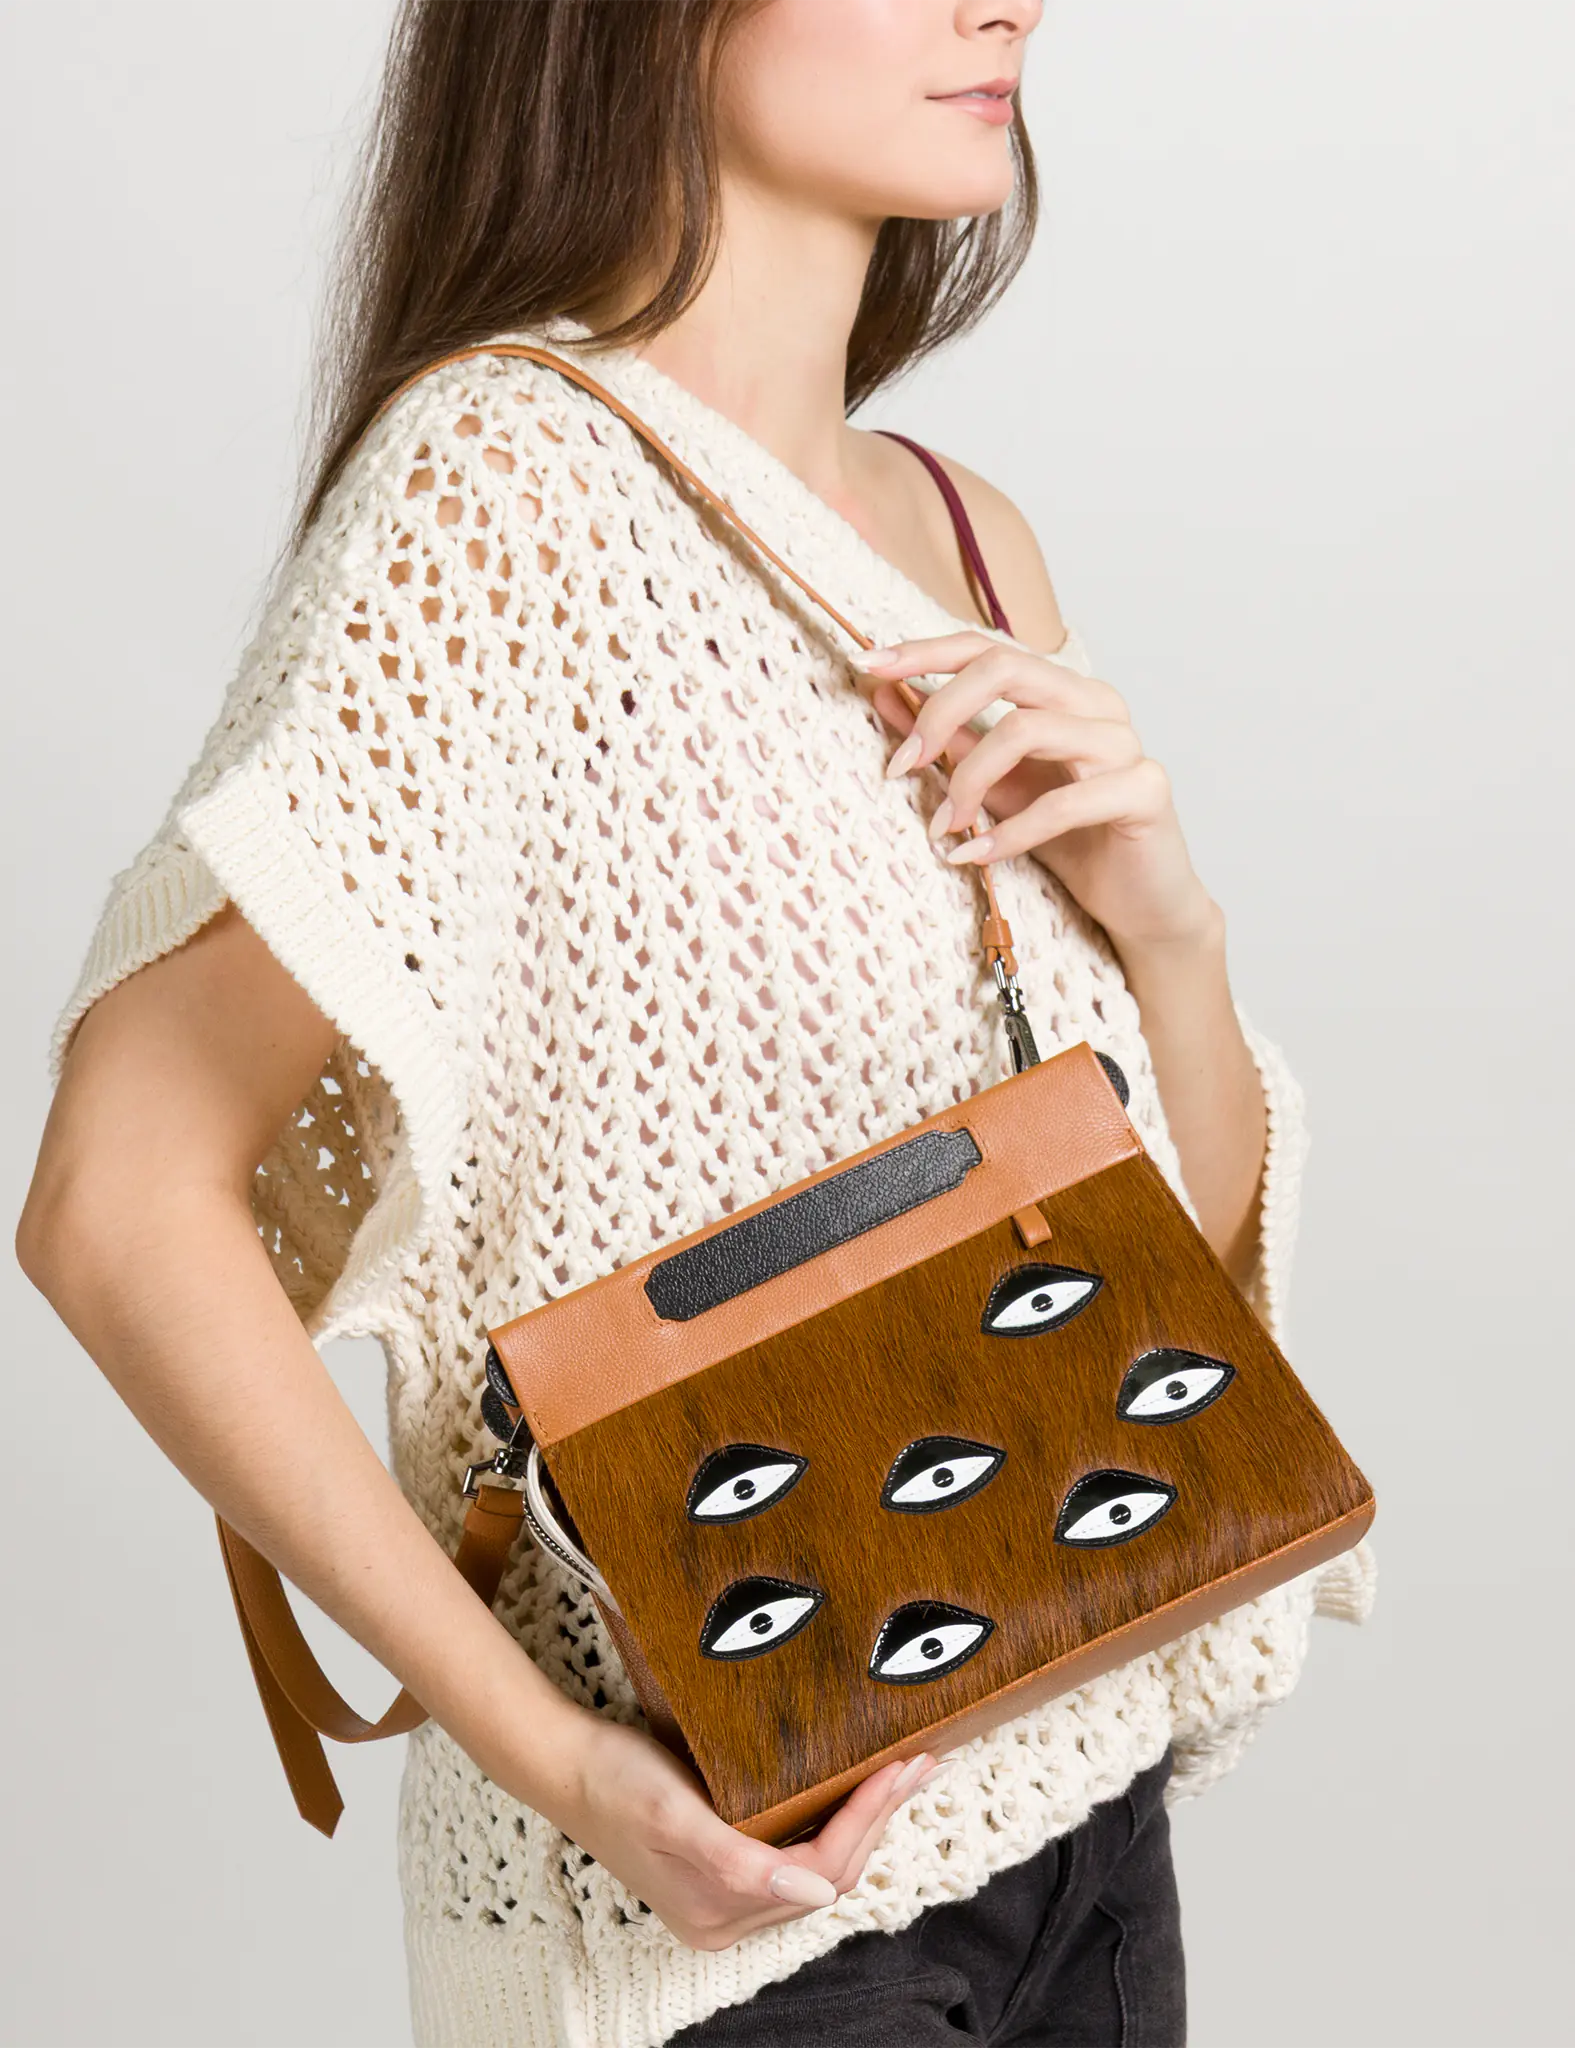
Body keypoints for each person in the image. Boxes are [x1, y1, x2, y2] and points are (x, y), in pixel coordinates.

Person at [17, 2, 1372, 2043]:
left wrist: (1168, 936)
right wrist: (565, 1770)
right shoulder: (501, 490)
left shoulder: (965, 531)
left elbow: (1170, 1279)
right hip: (739, 1938)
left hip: (1088, 1834)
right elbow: (118, 1203)